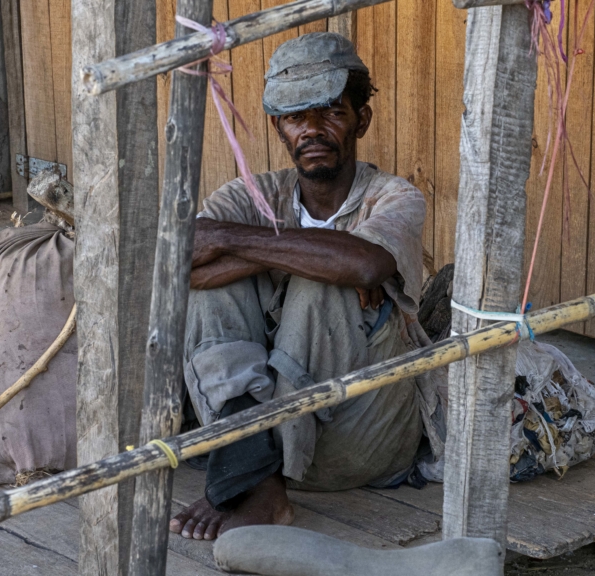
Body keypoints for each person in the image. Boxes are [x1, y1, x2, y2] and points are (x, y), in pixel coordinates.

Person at [170, 32, 446, 541]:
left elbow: (365, 265)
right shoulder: (249, 197)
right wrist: (323, 258)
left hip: (360, 437)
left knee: (327, 286)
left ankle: (253, 483)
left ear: (361, 120)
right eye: (296, 117)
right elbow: (179, 266)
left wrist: (232, 243)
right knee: (214, 291)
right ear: (278, 127)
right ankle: (254, 476)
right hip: (260, 447)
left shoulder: (394, 197)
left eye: (332, 113)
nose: (312, 130)